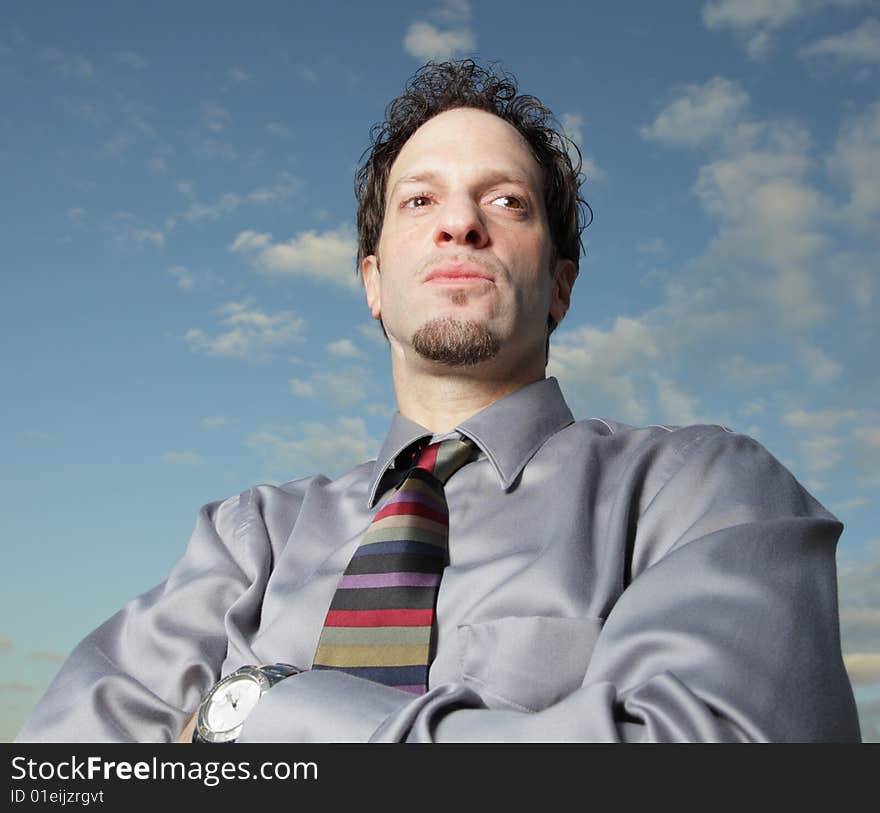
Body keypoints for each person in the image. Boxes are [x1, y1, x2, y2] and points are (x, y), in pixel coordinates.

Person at [16, 60, 860, 743]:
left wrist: (262, 715)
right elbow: (64, 775)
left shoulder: (709, 492)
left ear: (560, 286)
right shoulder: (249, 538)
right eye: (420, 200)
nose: (461, 222)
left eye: (506, 201)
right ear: (374, 283)